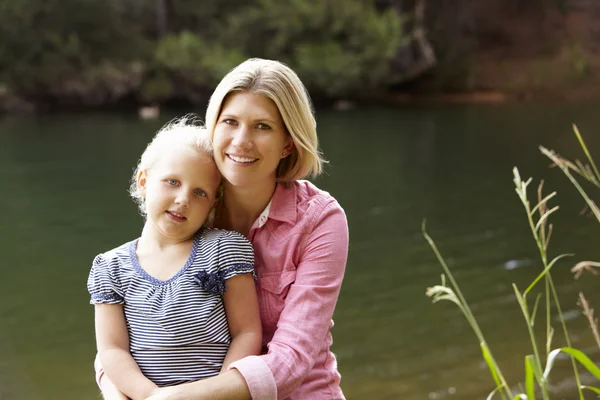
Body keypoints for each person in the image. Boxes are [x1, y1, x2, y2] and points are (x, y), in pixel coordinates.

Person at [98, 58, 349, 400]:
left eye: (262, 126)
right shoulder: (190, 203)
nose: (241, 141)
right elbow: (127, 333)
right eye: (230, 121)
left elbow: (291, 361)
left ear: (288, 143)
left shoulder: (319, 221)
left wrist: (174, 399)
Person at [88, 118, 262, 400]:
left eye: (199, 192)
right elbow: (112, 350)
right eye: (172, 182)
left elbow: (247, 333)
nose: (183, 199)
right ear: (144, 181)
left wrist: (219, 391)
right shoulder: (110, 267)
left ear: (212, 203)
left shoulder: (224, 250)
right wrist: (152, 397)